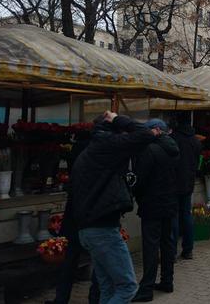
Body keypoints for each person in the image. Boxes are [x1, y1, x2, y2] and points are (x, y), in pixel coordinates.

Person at [71, 111, 158, 304]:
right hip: (102, 228)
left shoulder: (93, 149)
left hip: (89, 228)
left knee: (108, 287)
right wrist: (119, 119)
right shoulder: (107, 145)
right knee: (127, 287)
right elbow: (145, 134)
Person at [46, 129, 100, 304]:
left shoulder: (76, 152)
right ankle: (94, 297)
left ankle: (61, 299)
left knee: (69, 260)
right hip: (93, 214)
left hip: (75, 213)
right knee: (98, 259)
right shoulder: (99, 153)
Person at [132, 119, 180, 302]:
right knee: (167, 244)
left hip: (152, 203)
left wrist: (137, 193)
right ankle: (168, 281)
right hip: (170, 202)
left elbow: (140, 179)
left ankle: (146, 289)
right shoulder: (174, 149)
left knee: (150, 246)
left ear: (156, 130)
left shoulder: (150, 150)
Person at [170, 112, 202, 260]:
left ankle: (172, 252)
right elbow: (198, 161)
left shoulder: (173, 139)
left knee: (174, 217)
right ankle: (188, 250)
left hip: (174, 182)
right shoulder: (195, 140)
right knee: (187, 215)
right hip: (189, 182)